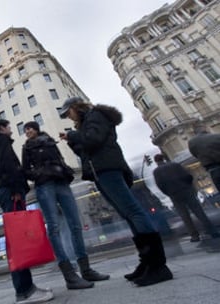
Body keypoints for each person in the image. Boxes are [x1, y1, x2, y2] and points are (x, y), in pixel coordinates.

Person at [58, 97, 173, 287]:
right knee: (128, 215)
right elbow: (86, 152)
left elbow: (94, 140)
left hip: (108, 168)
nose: (68, 117)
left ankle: (158, 266)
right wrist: (72, 141)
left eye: (68, 112)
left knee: (134, 212)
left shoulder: (96, 116)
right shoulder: (87, 122)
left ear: (75, 107)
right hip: (100, 171)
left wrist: (73, 136)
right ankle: (146, 262)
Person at [21, 121, 109, 290]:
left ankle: (86, 269)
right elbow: (26, 170)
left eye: (30, 128)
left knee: (76, 224)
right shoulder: (27, 147)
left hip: (62, 182)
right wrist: (40, 174)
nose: (27, 132)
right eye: (25, 130)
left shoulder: (50, 141)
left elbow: (60, 159)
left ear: (36, 129)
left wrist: (65, 170)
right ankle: (69, 275)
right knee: (53, 227)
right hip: (44, 186)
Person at [0, 119, 53, 304]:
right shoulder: (1, 141)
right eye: (8, 126)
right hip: (10, 191)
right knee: (18, 242)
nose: (10, 129)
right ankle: (24, 291)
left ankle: (28, 287)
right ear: (2, 128)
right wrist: (17, 190)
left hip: (8, 190)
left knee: (19, 240)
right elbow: (7, 166)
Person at [153, 154, 219, 242]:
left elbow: (160, 185)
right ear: (164, 158)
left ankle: (194, 235)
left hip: (174, 194)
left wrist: (169, 193)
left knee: (185, 216)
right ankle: (212, 231)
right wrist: (188, 186)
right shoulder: (175, 165)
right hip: (186, 190)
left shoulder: (156, 171)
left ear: (156, 161)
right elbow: (188, 176)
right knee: (199, 212)